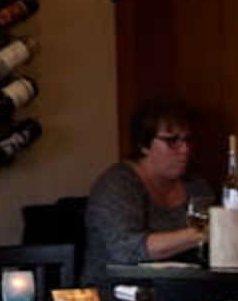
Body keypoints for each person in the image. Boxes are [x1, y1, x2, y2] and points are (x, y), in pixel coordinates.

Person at [83, 99, 214, 280]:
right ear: (144, 145)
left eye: (187, 140)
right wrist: (201, 234)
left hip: (184, 295)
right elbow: (127, 249)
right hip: (117, 295)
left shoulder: (196, 186)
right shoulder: (118, 183)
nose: (185, 149)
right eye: (172, 141)